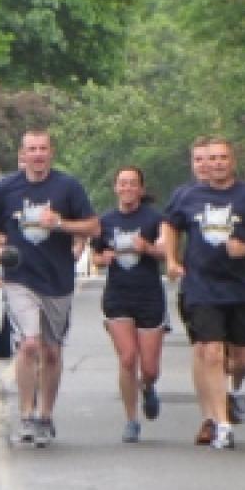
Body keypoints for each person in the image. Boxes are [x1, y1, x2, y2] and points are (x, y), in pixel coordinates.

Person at [0, 130, 99, 447]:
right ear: (23, 153)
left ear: (51, 152)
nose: (37, 154)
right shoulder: (6, 188)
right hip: (20, 276)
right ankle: (26, 415)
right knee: (29, 345)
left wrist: (61, 224)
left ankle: (46, 414)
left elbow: (93, 226)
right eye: (31, 149)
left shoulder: (67, 187)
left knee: (51, 350)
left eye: (42, 149)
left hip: (57, 279)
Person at [163, 137, 245, 450]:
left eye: (222, 158)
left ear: (233, 160)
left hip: (240, 288)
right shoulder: (188, 196)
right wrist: (172, 260)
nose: (215, 163)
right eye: (211, 158)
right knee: (211, 352)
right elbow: (170, 225)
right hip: (201, 287)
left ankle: (233, 391)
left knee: (240, 360)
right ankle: (221, 424)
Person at [92, 166, 169, 444]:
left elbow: (165, 251)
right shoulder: (106, 220)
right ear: (115, 188)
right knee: (127, 358)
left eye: (132, 184)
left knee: (149, 368)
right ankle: (131, 420)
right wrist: (104, 259)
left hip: (149, 296)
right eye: (122, 183)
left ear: (141, 189)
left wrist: (146, 248)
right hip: (118, 296)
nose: (127, 188)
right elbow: (95, 257)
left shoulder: (155, 218)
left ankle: (148, 387)